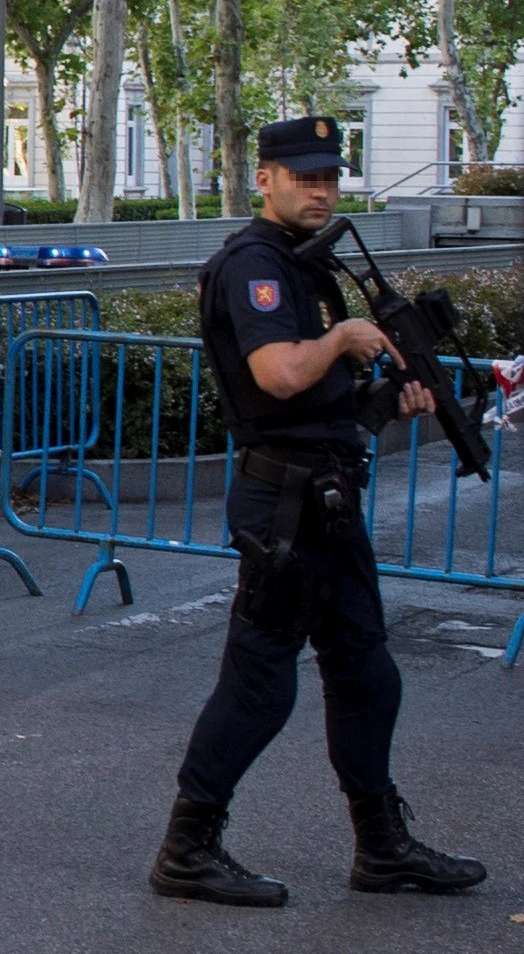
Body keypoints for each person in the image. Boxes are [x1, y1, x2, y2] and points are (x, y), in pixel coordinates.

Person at [150, 117, 490, 907]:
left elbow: (318, 401)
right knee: (261, 682)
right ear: (263, 177)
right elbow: (275, 376)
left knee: (366, 670)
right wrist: (340, 340)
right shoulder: (256, 266)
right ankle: (187, 847)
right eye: (303, 176)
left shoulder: (306, 266)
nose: (320, 189)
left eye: (330, 176)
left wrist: (383, 402)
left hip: (325, 495)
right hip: (285, 505)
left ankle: (382, 846)